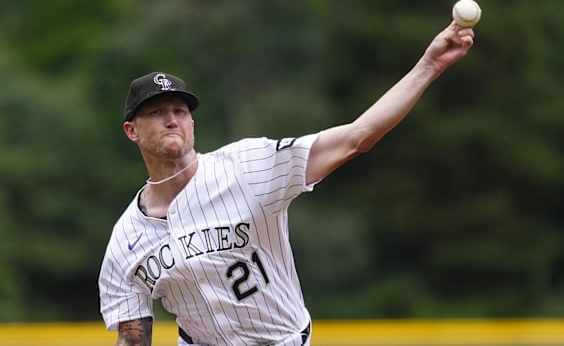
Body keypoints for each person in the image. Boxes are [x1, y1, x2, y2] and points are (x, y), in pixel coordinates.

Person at [98, 21, 475, 346]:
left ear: (193, 123)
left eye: (180, 110)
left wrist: (429, 65)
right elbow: (133, 338)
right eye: (156, 112)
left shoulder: (247, 166)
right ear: (132, 130)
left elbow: (358, 137)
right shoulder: (125, 240)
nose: (172, 119)